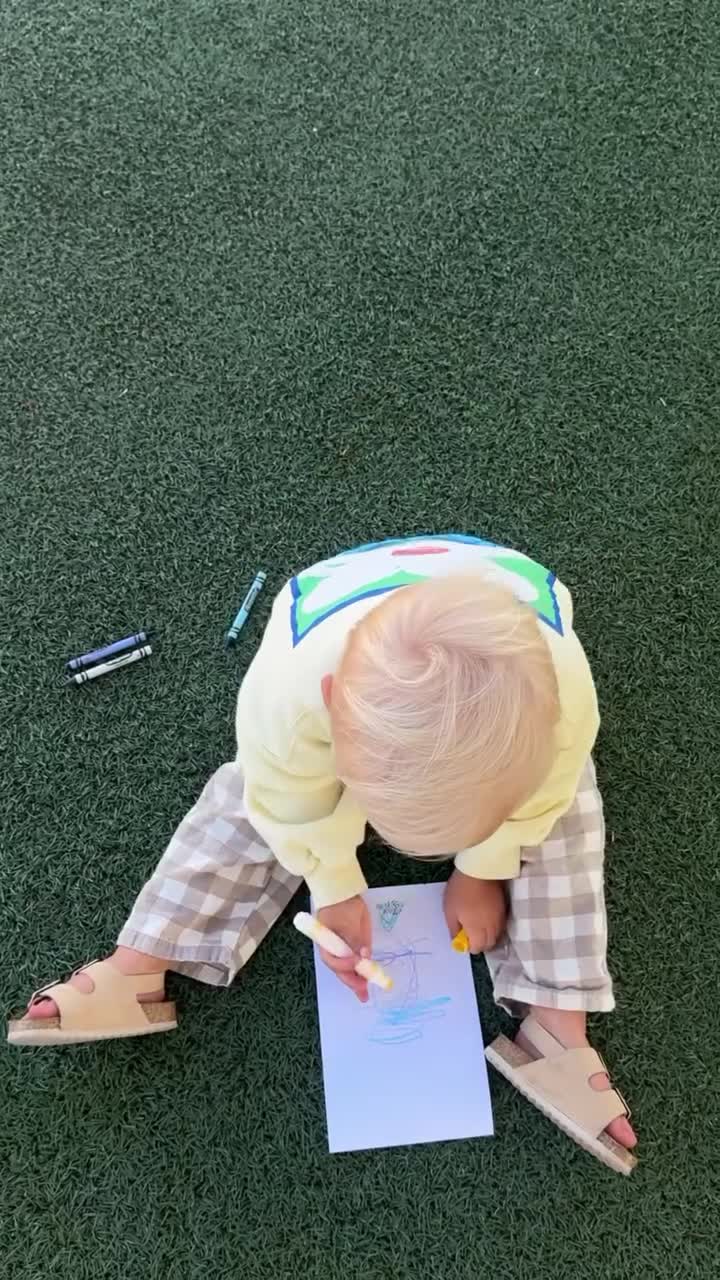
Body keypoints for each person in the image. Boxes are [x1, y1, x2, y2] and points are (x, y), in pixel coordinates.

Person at [9, 534, 637, 1173]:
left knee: (567, 808)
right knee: (253, 799)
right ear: (335, 703)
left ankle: (557, 1018)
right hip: (324, 645)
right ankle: (140, 963)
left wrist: (482, 867)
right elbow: (288, 805)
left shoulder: (563, 709)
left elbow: (542, 798)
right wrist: (333, 883)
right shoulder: (285, 703)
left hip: (507, 649)